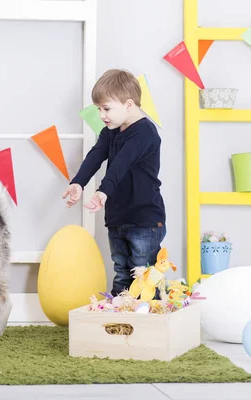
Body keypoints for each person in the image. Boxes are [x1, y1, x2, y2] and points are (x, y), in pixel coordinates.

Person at [62, 69, 166, 296]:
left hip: (144, 219)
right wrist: (78, 183)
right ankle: (117, 322)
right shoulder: (111, 131)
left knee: (144, 274)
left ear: (129, 105)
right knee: (121, 272)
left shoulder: (145, 133)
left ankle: (149, 320)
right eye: (99, 109)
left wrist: (102, 192)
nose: (101, 115)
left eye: (106, 108)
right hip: (118, 216)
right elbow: (95, 156)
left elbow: (121, 163)